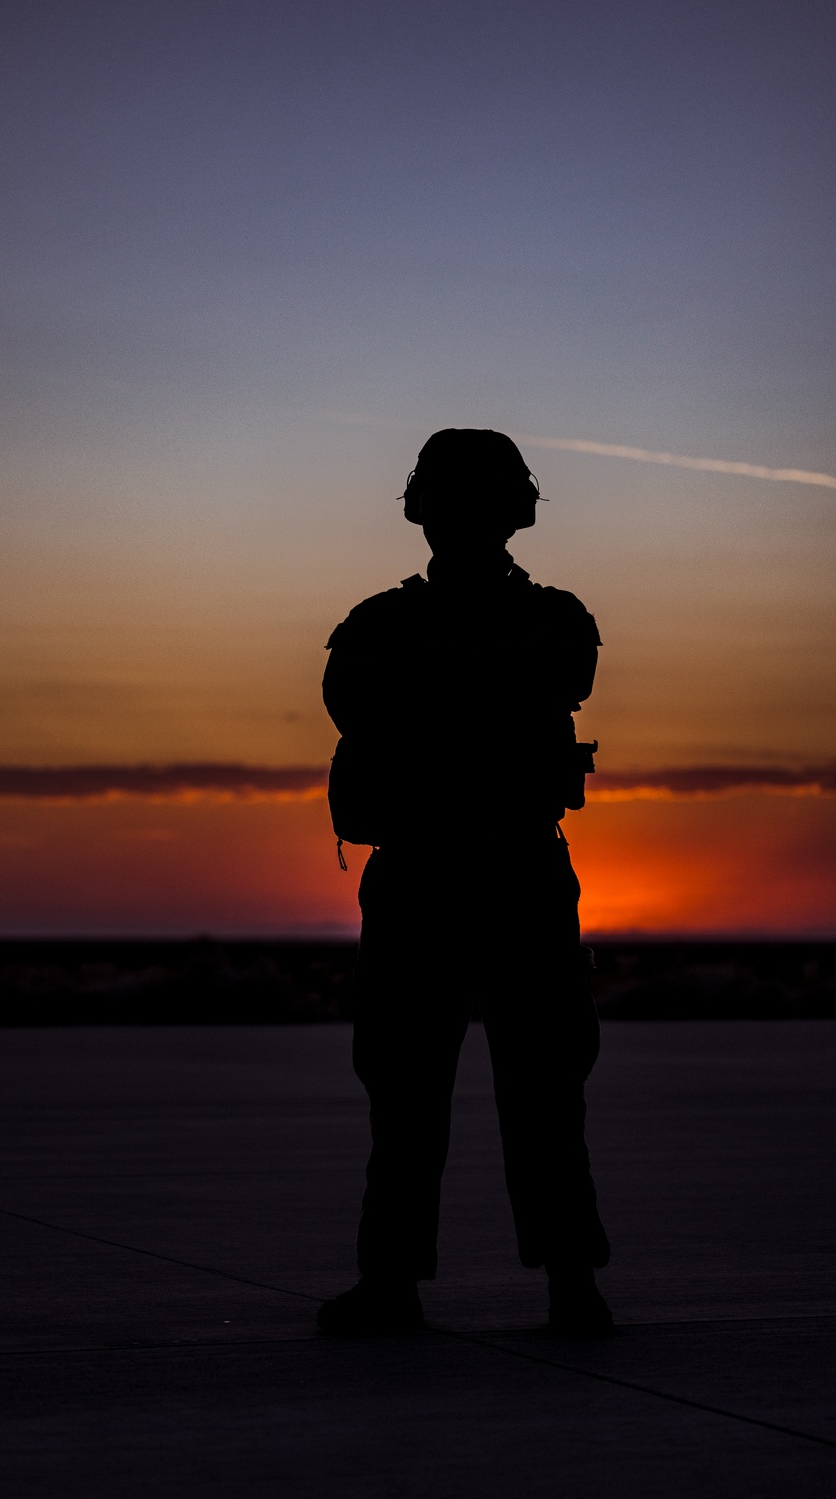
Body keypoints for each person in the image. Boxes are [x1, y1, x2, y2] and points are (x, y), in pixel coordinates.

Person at [317, 428, 612, 1337]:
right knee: (534, 1087)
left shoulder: (384, 627)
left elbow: (354, 705)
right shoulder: (554, 621)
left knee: (429, 1090)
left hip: (440, 875)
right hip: (506, 871)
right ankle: (566, 1282)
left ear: (421, 510)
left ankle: (398, 1282)